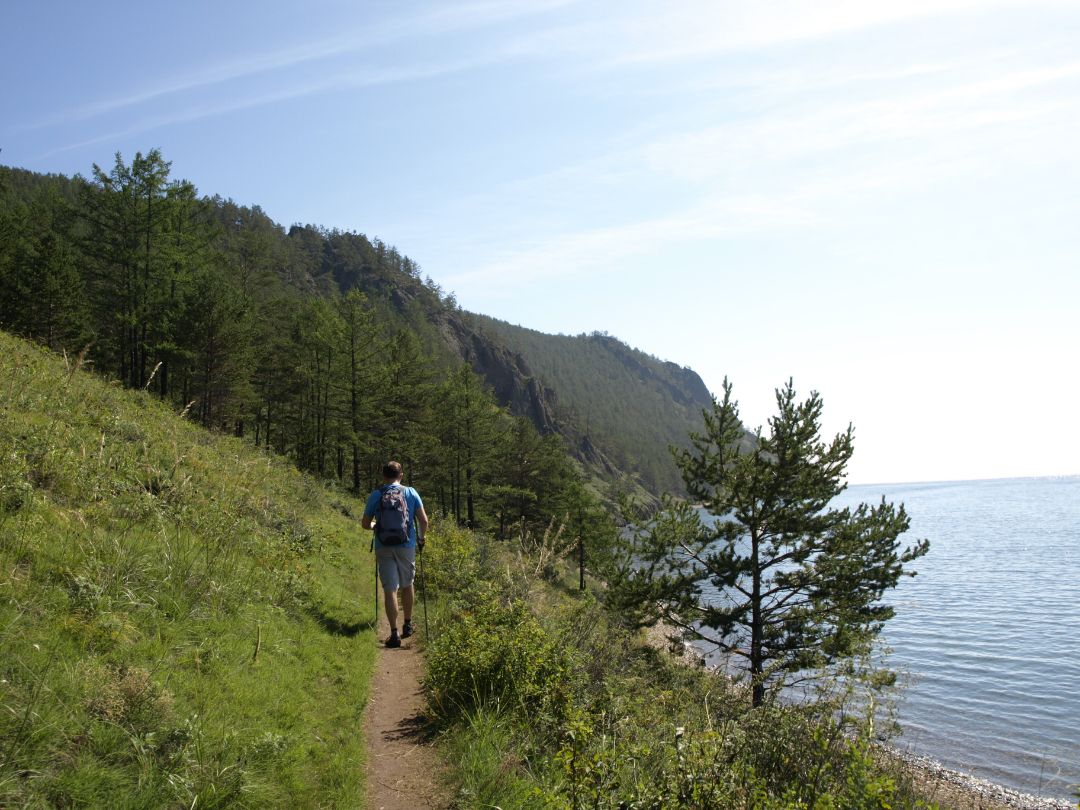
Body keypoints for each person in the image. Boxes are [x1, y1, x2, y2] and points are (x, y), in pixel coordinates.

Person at [362, 461, 428, 648]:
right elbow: (423, 521)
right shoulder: (410, 492)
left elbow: (365, 524)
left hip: (383, 546)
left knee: (390, 589)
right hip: (407, 545)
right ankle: (407, 624)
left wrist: (376, 526)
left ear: (384, 476)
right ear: (401, 475)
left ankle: (393, 633)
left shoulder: (377, 495)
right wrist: (421, 539)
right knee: (407, 584)